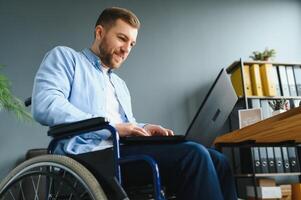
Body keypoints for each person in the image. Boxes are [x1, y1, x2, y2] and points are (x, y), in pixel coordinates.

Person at [32, 7, 237, 200]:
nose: (126, 49)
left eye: (131, 44)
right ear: (100, 32)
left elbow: (125, 125)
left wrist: (144, 128)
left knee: (218, 160)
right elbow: (46, 104)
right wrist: (111, 129)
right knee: (194, 155)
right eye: (122, 38)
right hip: (87, 157)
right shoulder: (66, 58)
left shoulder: (119, 84)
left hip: (122, 152)